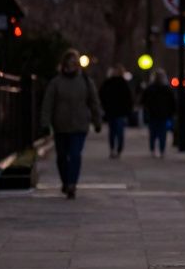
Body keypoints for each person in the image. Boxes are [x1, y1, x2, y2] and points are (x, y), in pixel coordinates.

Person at [40, 49, 102, 199]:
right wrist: (45, 123)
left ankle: (72, 184)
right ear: (65, 64)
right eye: (70, 62)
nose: (73, 65)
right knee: (62, 156)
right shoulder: (56, 83)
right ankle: (65, 181)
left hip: (79, 125)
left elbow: (94, 102)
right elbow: (48, 104)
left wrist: (97, 120)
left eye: (75, 62)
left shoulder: (85, 81)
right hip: (60, 125)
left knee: (75, 154)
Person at [99, 65, 134, 158]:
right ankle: (114, 149)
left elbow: (128, 99)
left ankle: (116, 149)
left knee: (116, 131)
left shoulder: (121, 83)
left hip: (117, 111)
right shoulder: (110, 83)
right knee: (115, 132)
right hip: (113, 111)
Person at [141, 69, 177, 158]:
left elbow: (144, 100)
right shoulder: (167, 89)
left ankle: (153, 149)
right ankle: (161, 150)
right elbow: (172, 102)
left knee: (153, 133)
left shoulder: (150, 88)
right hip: (162, 115)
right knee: (162, 133)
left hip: (153, 114)